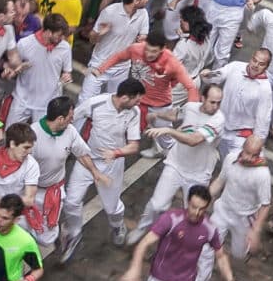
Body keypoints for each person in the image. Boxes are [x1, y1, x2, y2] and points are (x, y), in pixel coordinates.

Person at [120, 185, 247, 281]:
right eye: (194, 207)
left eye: (202, 209)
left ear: (207, 207)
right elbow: (144, 243)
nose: (197, 212)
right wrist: (135, 268)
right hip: (158, 278)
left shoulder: (209, 229)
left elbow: (221, 256)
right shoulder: (171, 219)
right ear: (188, 202)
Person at [59, 79, 144, 261]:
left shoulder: (134, 112)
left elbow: (134, 146)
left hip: (112, 165)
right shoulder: (95, 104)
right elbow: (71, 119)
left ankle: (117, 225)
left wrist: (115, 153)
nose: (139, 103)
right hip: (86, 160)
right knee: (71, 201)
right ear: (124, 97)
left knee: (111, 207)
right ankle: (74, 234)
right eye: (136, 99)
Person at [130, 84, 226, 244]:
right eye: (212, 102)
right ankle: (142, 228)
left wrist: (169, 131)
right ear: (202, 98)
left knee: (193, 212)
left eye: (219, 103)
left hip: (198, 174)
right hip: (175, 164)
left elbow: (194, 140)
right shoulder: (191, 107)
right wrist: (156, 116)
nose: (216, 106)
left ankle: (183, 241)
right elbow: (175, 115)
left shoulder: (218, 120)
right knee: (156, 205)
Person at [188, 136, 272, 281]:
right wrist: (203, 202)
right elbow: (220, 181)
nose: (248, 158)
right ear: (243, 147)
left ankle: (228, 255)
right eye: (247, 153)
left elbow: (265, 205)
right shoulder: (231, 158)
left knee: (239, 253)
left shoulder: (262, 174)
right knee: (206, 250)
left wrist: (255, 230)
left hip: (244, 218)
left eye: (253, 155)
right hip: (223, 211)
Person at [94, 29, 198, 155]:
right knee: (124, 130)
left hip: (160, 106)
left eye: (153, 51)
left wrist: (193, 114)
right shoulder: (135, 49)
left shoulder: (172, 63)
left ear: (162, 49)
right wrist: (101, 69)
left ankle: (180, 160)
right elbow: (119, 56)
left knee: (166, 141)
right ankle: (108, 154)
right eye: (147, 49)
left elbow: (191, 87)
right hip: (138, 102)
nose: (148, 54)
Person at [21, 97, 100, 249]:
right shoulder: (32, 135)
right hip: (31, 191)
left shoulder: (70, 132)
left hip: (54, 192)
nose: (72, 120)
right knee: (23, 226)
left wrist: (95, 172)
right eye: (70, 117)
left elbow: (82, 154)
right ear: (60, 118)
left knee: (46, 240)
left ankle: (57, 233)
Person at [79, 0, 151, 104]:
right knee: (85, 102)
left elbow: (144, 35)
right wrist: (99, 34)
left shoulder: (143, 14)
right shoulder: (109, 12)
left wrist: (142, 39)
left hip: (122, 68)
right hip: (99, 64)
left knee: (115, 105)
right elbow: (92, 39)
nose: (148, 0)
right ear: (136, 0)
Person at [205, 48, 273, 160]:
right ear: (251, 58)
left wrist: (257, 143)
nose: (256, 65)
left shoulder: (265, 89)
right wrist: (207, 75)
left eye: (261, 64)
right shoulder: (235, 66)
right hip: (220, 124)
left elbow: (263, 119)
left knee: (233, 164)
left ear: (266, 67)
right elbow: (219, 75)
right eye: (254, 60)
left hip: (240, 135)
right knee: (207, 154)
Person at [5, 14, 73, 124]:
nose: (62, 39)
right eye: (59, 35)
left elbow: (67, 72)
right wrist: (14, 71)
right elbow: (12, 69)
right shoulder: (25, 44)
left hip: (48, 103)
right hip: (22, 100)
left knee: (41, 139)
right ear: (49, 32)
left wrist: (66, 76)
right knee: (9, 133)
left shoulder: (65, 47)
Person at [0, 122, 39, 221]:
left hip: (16, 216)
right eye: (26, 147)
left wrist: (2, 201)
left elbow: (29, 200)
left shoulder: (31, 165)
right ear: (12, 144)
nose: (30, 152)